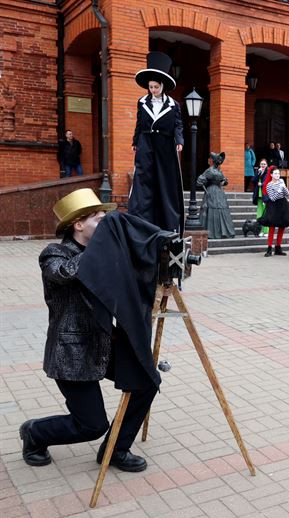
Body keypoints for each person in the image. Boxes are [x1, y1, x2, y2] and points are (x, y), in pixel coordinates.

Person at [20, 189, 157, 472]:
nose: (106, 224)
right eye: (99, 219)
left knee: (146, 382)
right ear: (78, 224)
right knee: (91, 425)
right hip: (70, 353)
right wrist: (106, 247)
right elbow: (66, 273)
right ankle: (35, 433)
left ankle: (116, 450)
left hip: (104, 345)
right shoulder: (54, 254)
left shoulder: (104, 253)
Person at [128, 51, 184, 233]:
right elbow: (139, 123)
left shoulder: (173, 105)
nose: (153, 90)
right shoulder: (142, 102)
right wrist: (135, 141)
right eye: (150, 87)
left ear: (162, 86)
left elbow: (178, 125)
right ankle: (140, 218)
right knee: (144, 178)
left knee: (164, 179)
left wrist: (179, 140)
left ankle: (168, 221)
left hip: (165, 144)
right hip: (146, 142)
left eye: (156, 87)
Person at [197, 152, 235, 240]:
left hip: (219, 191)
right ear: (215, 161)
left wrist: (225, 181)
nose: (220, 161)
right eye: (219, 159)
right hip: (212, 191)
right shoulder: (209, 170)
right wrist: (202, 182)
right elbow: (200, 181)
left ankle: (223, 232)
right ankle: (212, 233)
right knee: (212, 209)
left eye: (221, 160)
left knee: (221, 209)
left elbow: (223, 181)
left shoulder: (219, 171)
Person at [260, 166, 289, 257]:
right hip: (273, 206)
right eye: (275, 173)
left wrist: (283, 186)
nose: (277, 175)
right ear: (271, 175)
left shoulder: (281, 182)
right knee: (272, 227)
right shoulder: (269, 185)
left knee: (282, 226)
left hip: (282, 205)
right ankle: (269, 248)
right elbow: (273, 198)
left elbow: (287, 194)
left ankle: (278, 247)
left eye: (278, 173)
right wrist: (279, 190)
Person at [252, 159, 270, 237]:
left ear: (267, 165)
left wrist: (262, 184)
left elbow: (268, 182)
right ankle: (260, 230)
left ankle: (266, 231)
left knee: (265, 214)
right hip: (259, 196)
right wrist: (258, 173)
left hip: (265, 195)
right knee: (259, 214)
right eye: (261, 164)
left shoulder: (268, 172)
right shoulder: (258, 172)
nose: (262, 166)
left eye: (264, 164)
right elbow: (253, 180)